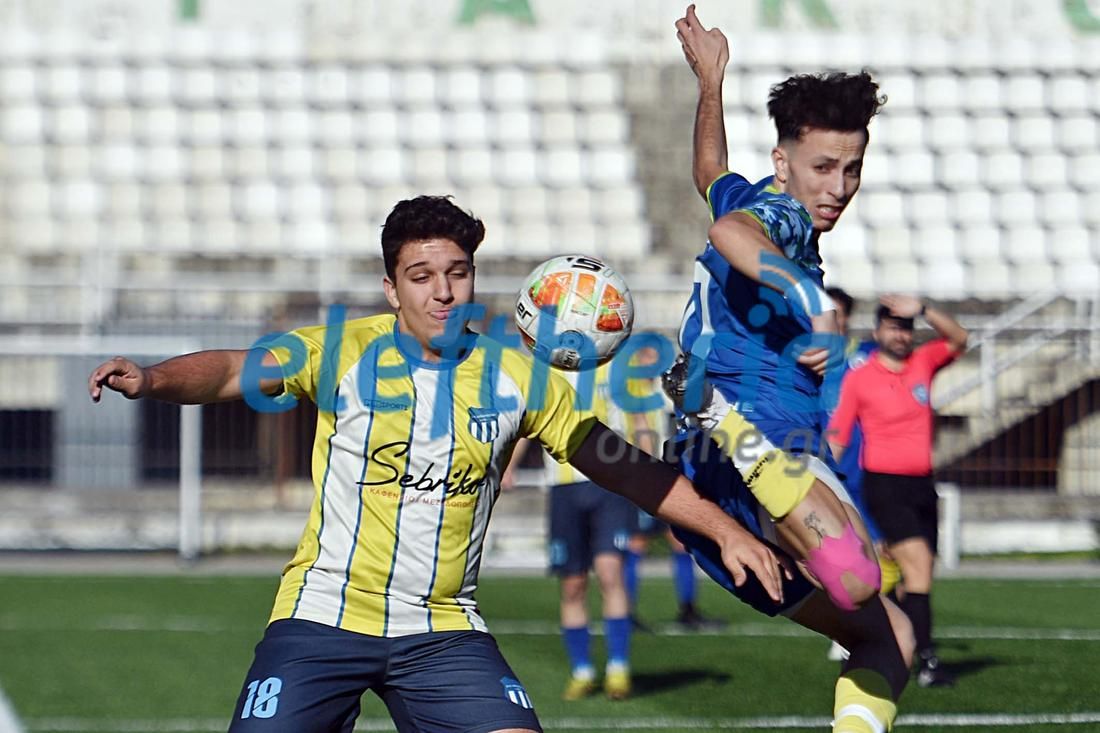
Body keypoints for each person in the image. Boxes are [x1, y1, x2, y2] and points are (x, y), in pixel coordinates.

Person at [89, 195, 786, 733]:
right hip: (324, 614)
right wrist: (152, 379)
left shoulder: (518, 377)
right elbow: (231, 369)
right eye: (421, 277)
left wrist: (725, 529)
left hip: (442, 627)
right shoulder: (340, 351)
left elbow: (624, 467)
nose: (443, 292)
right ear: (392, 288)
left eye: (457, 273)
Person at [667, 7, 915, 732]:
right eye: (823, 167)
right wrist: (810, 297)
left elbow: (710, 176)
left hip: (731, 478)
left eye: (852, 168)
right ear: (784, 163)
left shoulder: (756, 195)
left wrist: (710, 82)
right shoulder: (782, 217)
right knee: (859, 578)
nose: (839, 186)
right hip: (753, 429)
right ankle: (718, 415)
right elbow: (728, 231)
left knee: (890, 635)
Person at [828, 295, 968, 688]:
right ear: (877, 332)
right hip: (884, 484)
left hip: (921, 485)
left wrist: (923, 309)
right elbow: (839, 432)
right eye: (893, 327)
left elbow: (960, 338)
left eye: (906, 328)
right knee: (918, 566)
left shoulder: (923, 362)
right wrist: (821, 474)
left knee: (916, 577)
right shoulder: (861, 378)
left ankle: (884, 641)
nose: (901, 335)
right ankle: (928, 660)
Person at [505, 359, 639, 701]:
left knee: (610, 573)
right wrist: (509, 466)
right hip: (563, 489)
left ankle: (618, 668)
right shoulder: (545, 371)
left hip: (609, 484)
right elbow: (528, 424)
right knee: (573, 584)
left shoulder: (613, 366)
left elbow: (637, 421)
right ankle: (582, 671)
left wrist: (648, 475)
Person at [621, 342, 727, 632]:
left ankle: (688, 608)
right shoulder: (631, 393)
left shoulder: (658, 392)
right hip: (643, 476)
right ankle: (625, 611)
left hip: (664, 476)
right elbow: (638, 433)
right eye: (648, 358)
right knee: (637, 542)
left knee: (679, 542)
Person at [822, 286, 901, 662]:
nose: (831, 322)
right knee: (839, 552)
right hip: (828, 466)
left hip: (870, 467)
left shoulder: (868, 356)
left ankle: (876, 626)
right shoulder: (805, 358)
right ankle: (853, 626)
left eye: (837, 315)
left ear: (848, 318)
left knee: (884, 552)